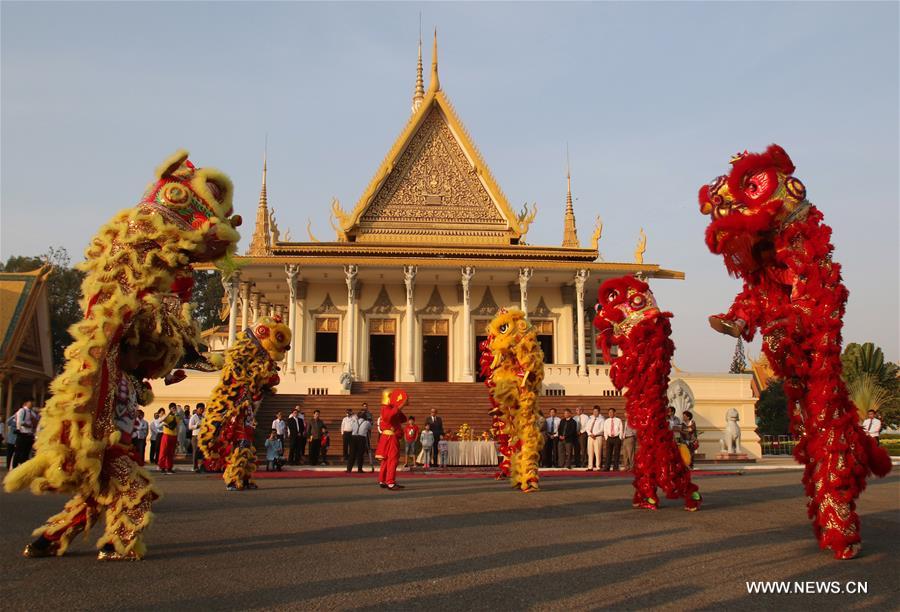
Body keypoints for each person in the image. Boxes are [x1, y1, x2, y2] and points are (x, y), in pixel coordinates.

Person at [376, 389, 409, 490]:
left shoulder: (390, 409)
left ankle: (383, 480)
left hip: (387, 437)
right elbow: (389, 416)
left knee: (386, 460)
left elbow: (403, 419)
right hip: (390, 437)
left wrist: (398, 406)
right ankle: (390, 482)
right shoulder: (386, 409)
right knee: (392, 460)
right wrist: (401, 404)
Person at [13, 399, 39, 466]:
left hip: (30, 434)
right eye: (31, 402)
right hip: (22, 433)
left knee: (26, 452)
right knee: (18, 452)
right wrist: (28, 425)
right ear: (26, 403)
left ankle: (23, 466)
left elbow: (36, 423)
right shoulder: (22, 411)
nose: (32, 404)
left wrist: (33, 421)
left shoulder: (32, 413)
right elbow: (20, 422)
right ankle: (15, 467)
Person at [158, 403, 179, 474]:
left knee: (171, 453)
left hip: (174, 436)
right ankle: (162, 467)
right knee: (163, 452)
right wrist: (168, 413)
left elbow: (177, 427)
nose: (174, 409)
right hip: (166, 435)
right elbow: (160, 420)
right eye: (173, 408)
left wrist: (178, 437)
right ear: (170, 409)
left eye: (175, 408)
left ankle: (169, 467)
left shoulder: (176, 417)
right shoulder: (166, 416)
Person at [585, 406, 604, 471]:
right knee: (590, 452)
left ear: (599, 412)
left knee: (597, 452)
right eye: (594, 411)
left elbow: (602, 429)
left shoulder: (601, 420)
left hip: (597, 437)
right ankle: (590, 467)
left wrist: (595, 434)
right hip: (590, 437)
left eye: (596, 411)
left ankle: (598, 466)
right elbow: (587, 428)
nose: (595, 413)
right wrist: (590, 434)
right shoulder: (590, 419)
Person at [189, 405, 205, 472]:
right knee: (195, 452)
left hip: (202, 436)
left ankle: (201, 466)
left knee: (202, 452)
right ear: (197, 409)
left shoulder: (203, 417)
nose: (201, 410)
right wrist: (196, 426)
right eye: (200, 409)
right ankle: (195, 467)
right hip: (195, 436)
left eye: (202, 409)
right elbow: (190, 427)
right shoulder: (193, 417)